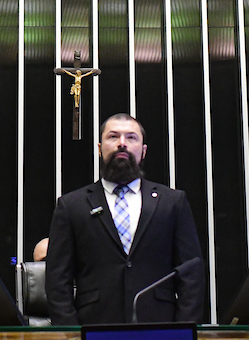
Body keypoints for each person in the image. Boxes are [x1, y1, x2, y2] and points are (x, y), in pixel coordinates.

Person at [46, 113, 205, 325]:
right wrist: (71, 334)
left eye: (131, 138)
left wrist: (183, 331)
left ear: (144, 151)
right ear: (100, 148)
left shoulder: (172, 202)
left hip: (161, 330)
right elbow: (58, 280)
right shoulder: (71, 205)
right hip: (94, 329)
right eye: (113, 136)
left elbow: (191, 274)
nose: (122, 144)